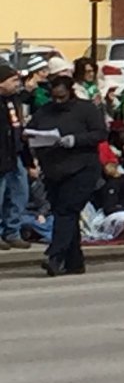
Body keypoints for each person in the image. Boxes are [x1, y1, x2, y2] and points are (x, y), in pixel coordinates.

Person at [26, 63, 107, 277]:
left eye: (62, 97)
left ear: (70, 93)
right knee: (65, 214)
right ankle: (74, 262)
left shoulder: (87, 109)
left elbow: (100, 133)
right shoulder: (45, 111)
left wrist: (76, 140)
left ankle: (55, 257)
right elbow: (32, 130)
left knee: (66, 211)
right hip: (53, 169)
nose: (57, 101)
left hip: (82, 168)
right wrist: (31, 137)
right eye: (54, 97)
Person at [0, 61, 28, 249]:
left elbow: (18, 127)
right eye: (12, 80)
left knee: (19, 192)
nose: (16, 84)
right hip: (1, 154)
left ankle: (12, 231)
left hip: (15, 153)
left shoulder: (13, 100)